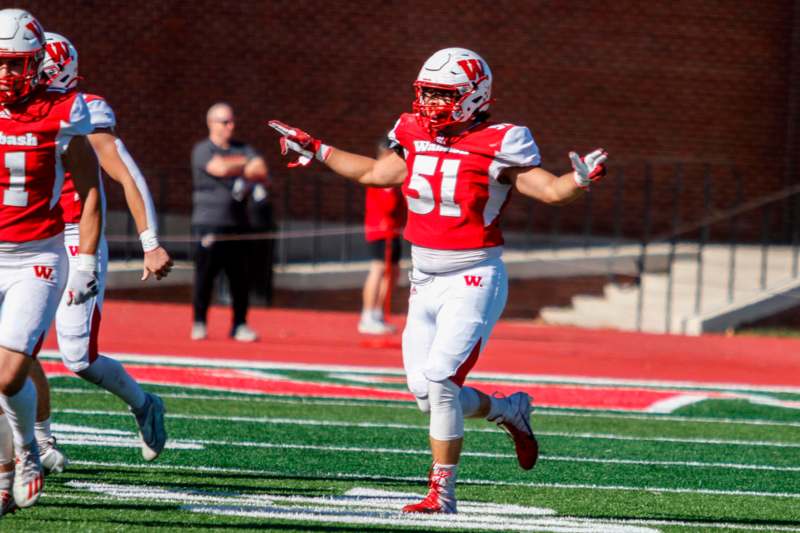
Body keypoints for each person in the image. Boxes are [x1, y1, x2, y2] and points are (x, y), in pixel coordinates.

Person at [270, 47, 607, 514]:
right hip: (424, 279)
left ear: (474, 95)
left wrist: (579, 180)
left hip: (473, 275)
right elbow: (373, 172)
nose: (429, 103)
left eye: (442, 94)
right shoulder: (410, 130)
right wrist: (319, 149)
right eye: (426, 93)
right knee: (427, 396)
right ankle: (508, 410)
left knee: (442, 380)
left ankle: (441, 493)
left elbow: (549, 190)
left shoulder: (501, 140)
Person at [20, 32, 174, 479]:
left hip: (75, 237)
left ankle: (144, 404)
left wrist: (150, 242)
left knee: (78, 357)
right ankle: (42, 440)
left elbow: (125, 174)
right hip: (28, 238)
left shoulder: (80, 110)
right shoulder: (16, 112)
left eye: (27, 66)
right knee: (17, 340)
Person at [0, 8, 103, 511]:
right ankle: (6, 470)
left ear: (36, 63)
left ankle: (27, 453)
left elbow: (89, 190)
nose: (4, 74)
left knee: (8, 372)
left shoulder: (63, 111)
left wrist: (84, 263)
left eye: (15, 64)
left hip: (35, 255)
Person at [191, 103, 268, 342]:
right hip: (209, 223)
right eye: (225, 122)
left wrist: (241, 163)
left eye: (232, 121)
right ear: (211, 123)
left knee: (240, 278)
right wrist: (245, 164)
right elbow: (219, 168)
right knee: (205, 276)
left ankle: (239, 324)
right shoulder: (203, 150)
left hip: (238, 224)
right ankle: (200, 322)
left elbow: (262, 169)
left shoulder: (243, 147)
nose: (230, 126)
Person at [359, 138, 404, 335]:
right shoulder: (382, 174)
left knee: (392, 271)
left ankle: (377, 312)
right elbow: (389, 205)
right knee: (378, 268)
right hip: (381, 229)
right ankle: (368, 314)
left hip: (393, 230)